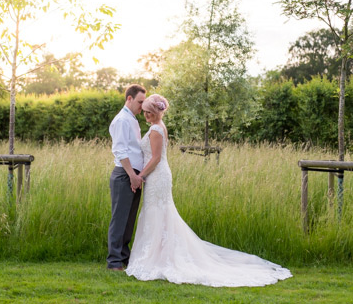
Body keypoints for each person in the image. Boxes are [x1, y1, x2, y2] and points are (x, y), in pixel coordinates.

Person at [125, 94, 292, 287]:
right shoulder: (160, 126)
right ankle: (159, 255)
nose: (145, 116)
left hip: (156, 175)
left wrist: (140, 176)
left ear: (155, 113)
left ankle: (158, 258)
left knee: (158, 213)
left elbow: (155, 159)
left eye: (148, 112)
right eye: (144, 112)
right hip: (158, 176)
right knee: (160, 214)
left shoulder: (155, 129)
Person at [107, 84, 147, 271]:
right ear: (129, 99)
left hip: (133, 175)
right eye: (140, 102)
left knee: (129, 220)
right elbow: (120, 150)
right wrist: (132, 175)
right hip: (125, 175)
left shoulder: (132, 119)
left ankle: (124, 257)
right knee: (120, 219)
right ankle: (114, 261)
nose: (142, 106)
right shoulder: (122, 120)